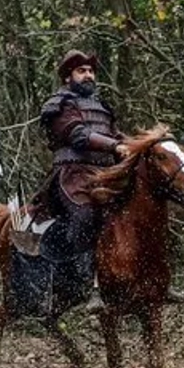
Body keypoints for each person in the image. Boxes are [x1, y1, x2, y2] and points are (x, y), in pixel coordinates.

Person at [33, 49, 126, 256]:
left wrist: (139, 147)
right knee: (85, 214)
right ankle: (72, 274)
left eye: (91, 71)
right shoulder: (60, 105)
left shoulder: (102, 107)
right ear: (68, 77)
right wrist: (114, 146)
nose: (88, 75)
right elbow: (77, 134)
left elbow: (117, 136)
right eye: (81, 70)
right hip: (72, 176)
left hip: (105, 176)